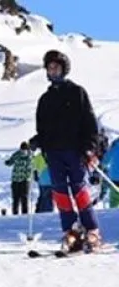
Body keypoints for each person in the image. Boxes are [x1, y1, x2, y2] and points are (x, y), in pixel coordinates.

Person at [28, 49, 103, 253]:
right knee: (60, 192)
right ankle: (71, 231)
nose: (53, 71)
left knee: (79, 190)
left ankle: (91, 230)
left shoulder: (77, 92)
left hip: (75, 150)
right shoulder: (45, 100)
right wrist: (36, 142)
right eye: (50, 68)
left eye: (56, 67)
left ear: (64, 69)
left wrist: (89, 147)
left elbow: (89, 122)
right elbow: (42, 130)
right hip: (53, 152)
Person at [5, 141, 34, 215]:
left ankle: (15, 213)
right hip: (25, 180)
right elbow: (31, 168)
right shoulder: (30, 156)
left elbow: (10, 162)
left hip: (16, 179)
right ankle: (24, 214)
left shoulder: (17, 155)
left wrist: (7, 162)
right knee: (24, 198)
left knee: (16, 198)